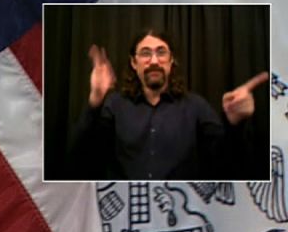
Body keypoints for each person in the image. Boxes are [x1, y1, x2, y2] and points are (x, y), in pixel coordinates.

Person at [69, 28, 267, 180]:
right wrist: (94, 102)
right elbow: (79, 159)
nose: (154, 60)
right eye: (145, 53)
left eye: (161, 52)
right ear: (133, 62)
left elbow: (227, 165)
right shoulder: (114, 105)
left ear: (171, 61)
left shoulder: (196, 106)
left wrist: (234, 124)